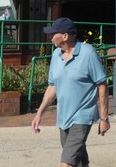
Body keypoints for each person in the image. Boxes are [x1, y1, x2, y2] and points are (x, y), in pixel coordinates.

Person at [32, 17, 110, 167]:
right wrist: (39, 113)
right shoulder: (56, 55)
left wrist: (104, 118)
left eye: (53, 33)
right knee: (79, 161)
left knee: (66, 163)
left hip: (82, 116)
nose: (50, 37)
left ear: (65, 36)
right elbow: (52, 87)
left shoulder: (88, 53)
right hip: (63, 117)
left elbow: (102, 84)